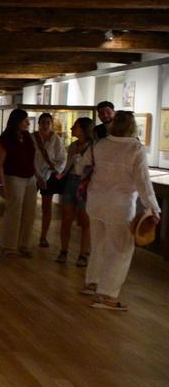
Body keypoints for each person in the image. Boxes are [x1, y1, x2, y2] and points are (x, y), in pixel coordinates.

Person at [82, 111, 160, 310]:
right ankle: (108, 295)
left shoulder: (101, 144)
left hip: (95, 201)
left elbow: (82, 166)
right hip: (120, 205)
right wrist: (153, 208)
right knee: (121, 249)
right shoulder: (135, 148)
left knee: (99, 242)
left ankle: (92, 282)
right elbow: (143, 181)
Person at [0, 109, 39, 257]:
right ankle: (9, 245)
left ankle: (24, 244)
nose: (28, 122)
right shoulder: (6, 138)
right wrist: (1, 184)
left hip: (30, 177)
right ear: (17, 121)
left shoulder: (27, 136)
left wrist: (38, 176)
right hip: (13, 177)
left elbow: (33, 158)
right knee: (14, 211)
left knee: (29, 212)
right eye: (25, 120)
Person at [57, 117, 95, 266]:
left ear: (84, 129)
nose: (72, 129)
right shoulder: (73, 146)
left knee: (85, 220)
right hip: (72, 181)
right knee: (66, 218)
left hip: (86, 183)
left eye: (76, 126)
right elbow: (68, 166)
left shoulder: (94, 147)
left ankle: (83, 254)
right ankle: (63, 251)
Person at [33, 112, 67, 248]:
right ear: (39, 123)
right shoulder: (33, 138)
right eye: (43, 123)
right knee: (27, 205)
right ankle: (23, 233)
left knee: (46, 207)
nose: (45, 125)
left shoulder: (56, 139)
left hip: (48, 175)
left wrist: (55, 170)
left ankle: (43, 236)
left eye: (48, 123)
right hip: (33, 174)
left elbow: (62, 158)